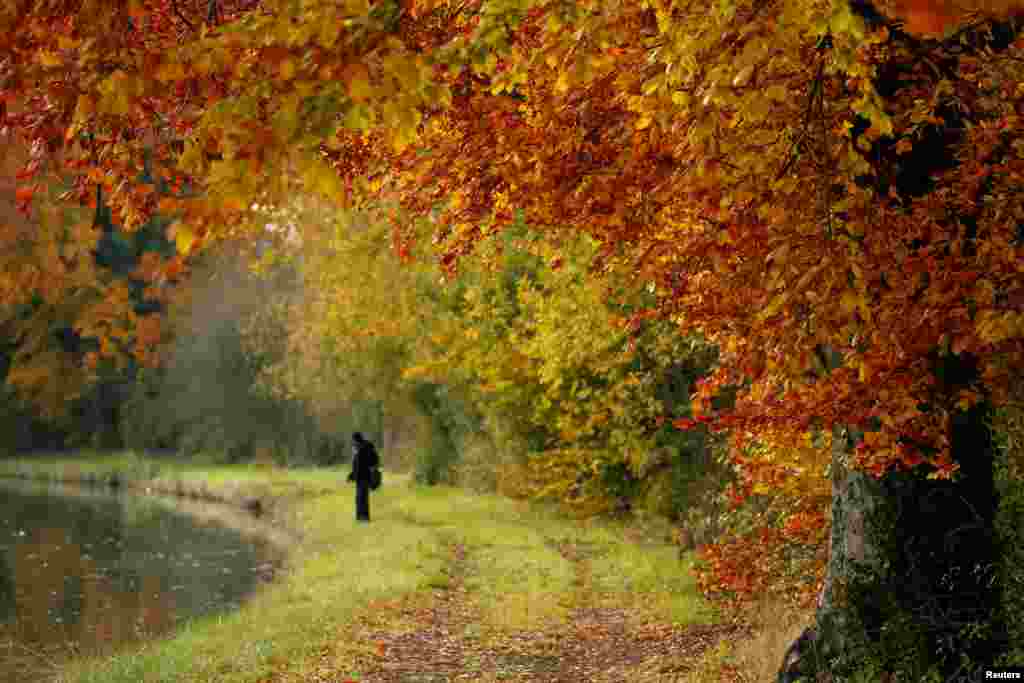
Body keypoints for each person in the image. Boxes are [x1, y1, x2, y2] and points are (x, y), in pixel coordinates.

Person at [347, 432, 379, 522]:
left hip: (364, 476)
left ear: (357, 440)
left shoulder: (365, 448)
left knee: (362, 498)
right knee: (360, 498)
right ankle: (360, 517)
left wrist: (372, 472)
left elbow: (366, 463)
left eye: (353, 440)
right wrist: (352, 475)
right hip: (360, 477)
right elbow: (357, 465)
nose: (352, 442)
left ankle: (364, 517)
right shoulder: (359, 448)